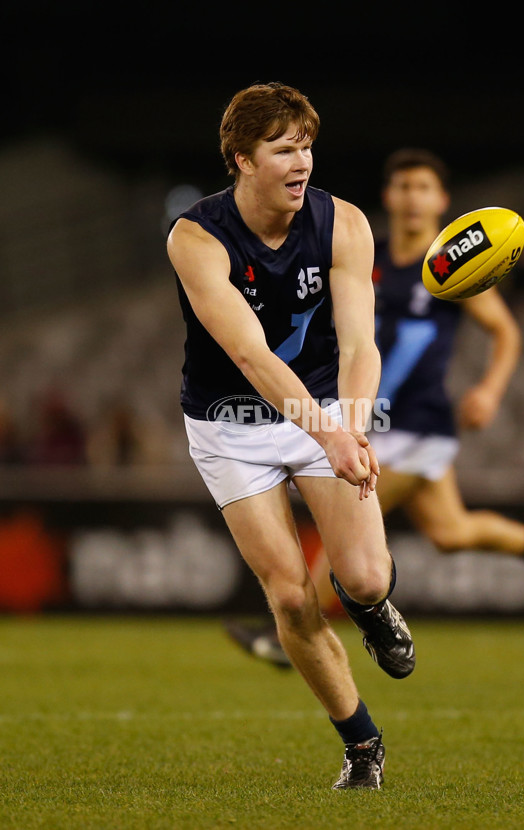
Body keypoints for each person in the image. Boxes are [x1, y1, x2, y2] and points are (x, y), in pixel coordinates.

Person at [225, 147, 524, 668]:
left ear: (442, 200)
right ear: (388, 196)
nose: (413, 198)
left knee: (349, 513)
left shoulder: (452, 265)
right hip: (374, 421)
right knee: (450, 532)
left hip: (423, 426)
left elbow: (506, 332)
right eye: (404, 187)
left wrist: (489, 389)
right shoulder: (366, 253)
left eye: (424, 188)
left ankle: (292, 629)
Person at [166, 83, 416, 790]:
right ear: (242, 159)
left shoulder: (345, 224)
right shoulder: (195, 237)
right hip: (229, 424)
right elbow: (250, 356)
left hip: (327, 409)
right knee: (288, 597)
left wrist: (354, 430)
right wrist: (329, 434)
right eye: (282, 149)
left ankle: (371, 607)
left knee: (364, 576)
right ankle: (362, 746)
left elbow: (362, 345)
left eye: (306, 145)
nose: (301, 160)